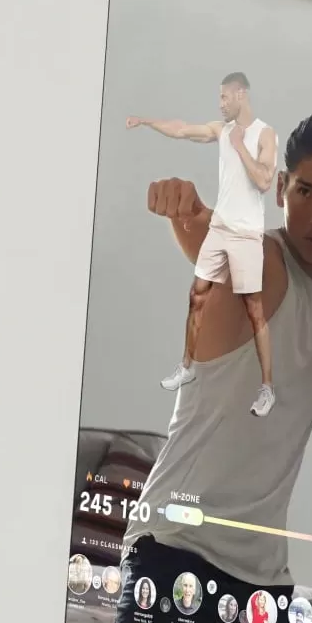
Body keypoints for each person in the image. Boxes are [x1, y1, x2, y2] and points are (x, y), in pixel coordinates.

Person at [55, 101, 312, 623]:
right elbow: (223, 250)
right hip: (178, 538)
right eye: (306, 190)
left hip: (258, 565)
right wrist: (184, 213)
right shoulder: (266, 261)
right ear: (284, 188)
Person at [127, 73, 281, 415]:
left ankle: (267, 388)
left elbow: (266, 180)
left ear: (241, 95)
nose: (221, 103)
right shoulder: (221, 130)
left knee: (254, 311)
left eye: (225, 97)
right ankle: (186, 367)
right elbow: (182, 129)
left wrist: (241, 147)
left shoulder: (265, 134)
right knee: (197, 295)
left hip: (246, 234)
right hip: (220, 228)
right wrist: (147, 122)